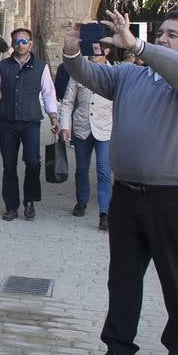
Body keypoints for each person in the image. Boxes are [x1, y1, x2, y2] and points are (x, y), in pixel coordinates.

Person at [61, 9, 178, 355]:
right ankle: (118, 346)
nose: (164, 39)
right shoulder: (130, 75)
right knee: (123, 276)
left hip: (175, 197)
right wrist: (71, 53)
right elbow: (91, 74)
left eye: (173, 35)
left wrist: (141, 46)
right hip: (128, 195)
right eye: (160, 33)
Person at [0, 27, 59, 221]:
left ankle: (29, 200)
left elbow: (48, 94)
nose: (20, 44)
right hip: (7, 122)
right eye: (16, 41)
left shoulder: (41, 67)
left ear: (30, 44)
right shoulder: (1, 66)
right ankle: (11, 206)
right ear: (12, 44)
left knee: (33, 161)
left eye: (24, 41)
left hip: (31, 122)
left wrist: (54, 117)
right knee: (9, 165)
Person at [59, 47, 114, 230]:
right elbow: (67, 102)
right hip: (82, 127)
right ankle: (81, 201)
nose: (93, 51)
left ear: (107, 51)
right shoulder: (79, 73)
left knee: (104, 170)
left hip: (105, 129)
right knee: (81, 169)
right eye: (91, 48)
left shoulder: (114, 73)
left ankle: (105, 211)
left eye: (97, 48)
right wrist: (65, 126)